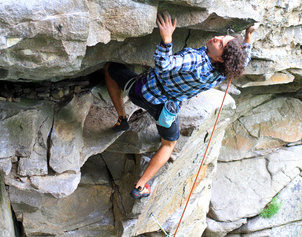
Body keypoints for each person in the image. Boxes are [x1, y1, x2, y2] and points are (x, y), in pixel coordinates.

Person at [104, 11, 259, 199]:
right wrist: (248, 37)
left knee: (110, 69)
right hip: (166, 108)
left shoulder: (196, 60)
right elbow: (243, 60)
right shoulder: (224, 70)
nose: (217, 37)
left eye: (220, 43)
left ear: (220, 58)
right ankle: (141, 186)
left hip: (143, 91)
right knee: (169, 145)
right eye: (222, 37)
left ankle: (122, 118)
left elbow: (165, 65)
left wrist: (167, 39)